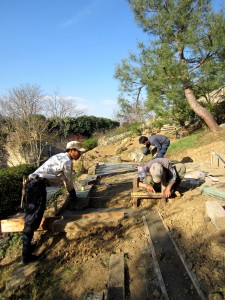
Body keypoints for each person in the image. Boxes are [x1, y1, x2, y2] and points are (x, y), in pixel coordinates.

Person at [21, 141, 86, 264]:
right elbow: (68, 180)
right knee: (33, 218)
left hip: (34, 184)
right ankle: (26, 256)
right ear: (71, 150)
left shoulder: (58, 157)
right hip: (36, 186)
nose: (80, 155)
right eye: (79, 152)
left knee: (34, 216)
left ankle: (28, 248)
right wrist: (73, 195)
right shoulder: (66, 161)